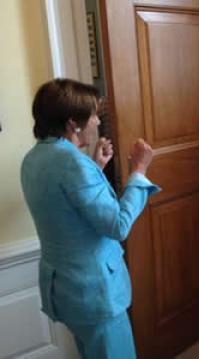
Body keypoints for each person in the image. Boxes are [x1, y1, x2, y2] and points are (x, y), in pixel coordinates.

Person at [20, 79, 160, 359]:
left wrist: (96, 168)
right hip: (94, 294)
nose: (97, 121)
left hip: (66, 291)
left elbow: (65, 204)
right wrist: (139, 171)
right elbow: (117, 225)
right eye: (94, 114)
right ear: (74, 123)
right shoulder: (72, 163)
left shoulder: (33, 158)